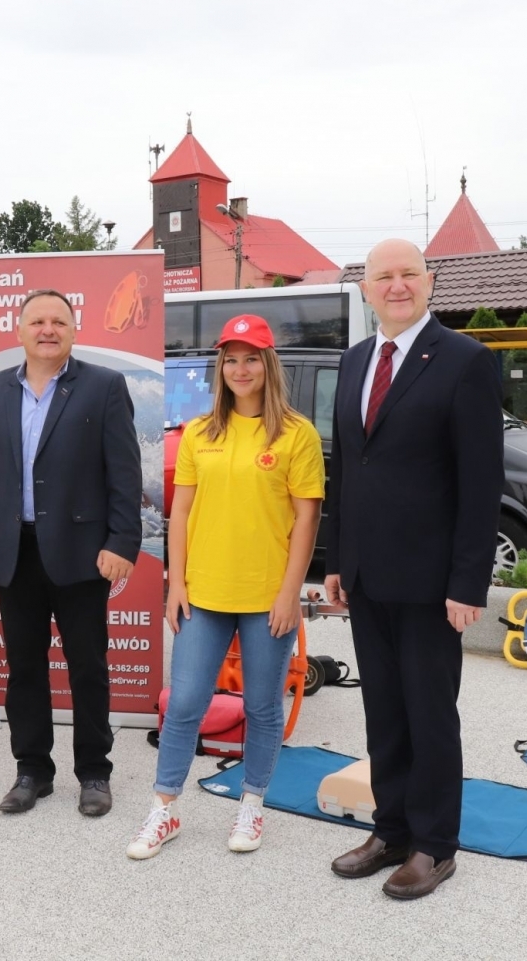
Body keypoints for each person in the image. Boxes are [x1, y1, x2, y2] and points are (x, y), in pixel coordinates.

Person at [322, 238, 504, 900]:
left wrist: (467, 581)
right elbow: (346, 468)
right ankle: (390, 829)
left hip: (431, 584)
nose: (396, 286)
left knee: (430, 714)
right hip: (368, 576)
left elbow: (482, 484)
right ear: (366, 289)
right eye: (383, 277)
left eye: (408, 275)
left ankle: (434, 845)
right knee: (383, 713)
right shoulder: (355, 361)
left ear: (429, 283)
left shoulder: (465, 362)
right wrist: (339, 561)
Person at [127, 315, 323, 860]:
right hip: (204, 594)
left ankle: (251, 806)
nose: (241, 368)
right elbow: (182, 512)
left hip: (268, 597)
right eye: (231, 358)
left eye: (251, 357)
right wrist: (175, 584)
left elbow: (307, 521)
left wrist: (290, 594)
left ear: (268, 364)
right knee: (185, 702)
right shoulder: (199, 432)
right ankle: (164, 809)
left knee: (262, 706)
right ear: (221, 367)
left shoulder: (296, 434)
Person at [0, 288, 143, 817]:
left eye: (58, 321)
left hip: (85, 554)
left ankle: (94, 774)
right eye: (37, 320)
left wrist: (122, 542)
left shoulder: (104, 387)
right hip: (15, 552)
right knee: (24, 668)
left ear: (73, 331)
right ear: (19, 331)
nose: (47, 329)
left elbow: (125, 474)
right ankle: (32, 770)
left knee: (88, 666)